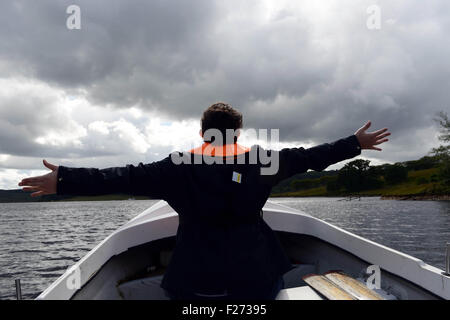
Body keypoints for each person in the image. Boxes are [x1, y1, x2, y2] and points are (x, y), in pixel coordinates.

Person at [18, 102, 390, 300]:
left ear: (202, 132)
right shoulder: (261, 161)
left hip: (194, 282)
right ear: (238, 132)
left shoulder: (177, 168)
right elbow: (310, 156)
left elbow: (121, 175)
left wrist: (63, 179)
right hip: (254, 281)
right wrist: (354, 143)